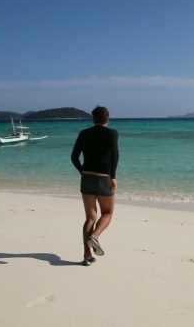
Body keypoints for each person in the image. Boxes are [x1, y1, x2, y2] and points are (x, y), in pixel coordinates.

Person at [71, 106, 119, 266]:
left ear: (93, 119)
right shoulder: (112, 133)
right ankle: (95, 236)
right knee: (107, 213)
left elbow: (74, 157)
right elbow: (114, 155)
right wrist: (113, 177)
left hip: (87, 178)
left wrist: (82, 172)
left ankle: (87, 256)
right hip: (104, 177)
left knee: (90, 218)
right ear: (107, 119)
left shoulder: (84, 133)